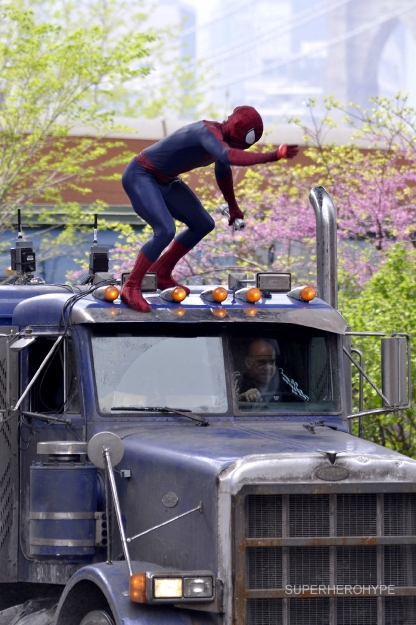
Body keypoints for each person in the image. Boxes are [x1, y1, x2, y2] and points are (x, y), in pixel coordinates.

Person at [120, 106, 299, 312]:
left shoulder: (222, 143)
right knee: (165, 230)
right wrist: (273, 155)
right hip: (141, 174)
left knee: (203, 224)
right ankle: (131, 286)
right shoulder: (207, 132)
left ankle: (161, 272)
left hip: (165, 180)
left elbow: (223, 172)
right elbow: (228, 156)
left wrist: (233, 206)